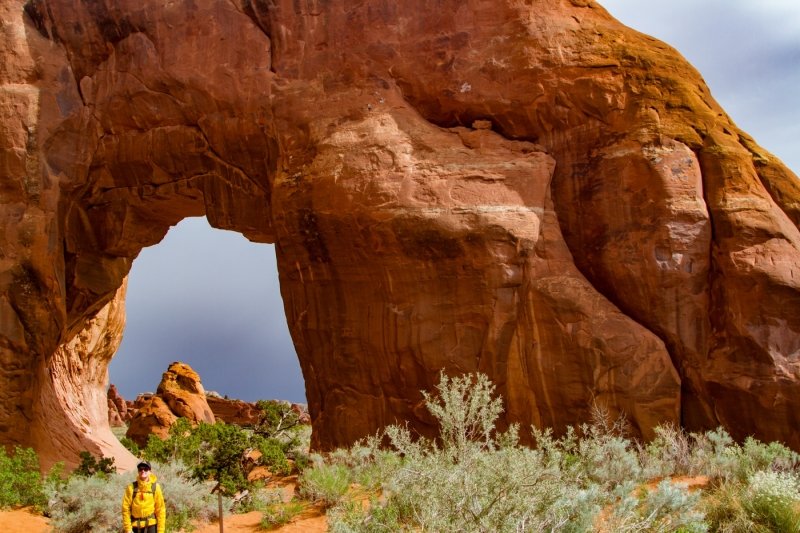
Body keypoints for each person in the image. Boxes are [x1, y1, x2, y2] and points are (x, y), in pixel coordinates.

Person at [122, 460, 166, 533]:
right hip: (135, 526)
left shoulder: (155, 487)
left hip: (151, 526)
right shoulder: (131, 487)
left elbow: (161, 510)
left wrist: (160, 531)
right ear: (138, 471)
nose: (143, 471)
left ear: (150, 472)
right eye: (140, 469)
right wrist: (128, 529)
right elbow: (125, 509)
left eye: (146, 469)